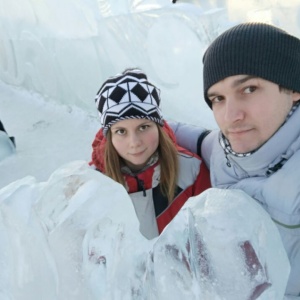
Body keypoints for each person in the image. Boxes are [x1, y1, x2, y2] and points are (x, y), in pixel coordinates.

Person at [171, 22, 300, 298]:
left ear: (293, 89)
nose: (231, 116)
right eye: (217, 98)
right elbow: (186, 135)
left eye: (249, 89)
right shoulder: (221, 149)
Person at [90, 68, 211, 240]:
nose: (134, 142)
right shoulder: (95, 183)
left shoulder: (192, 170)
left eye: (143, 127)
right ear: (108, 136)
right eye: (121, 131)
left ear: (158, 126)